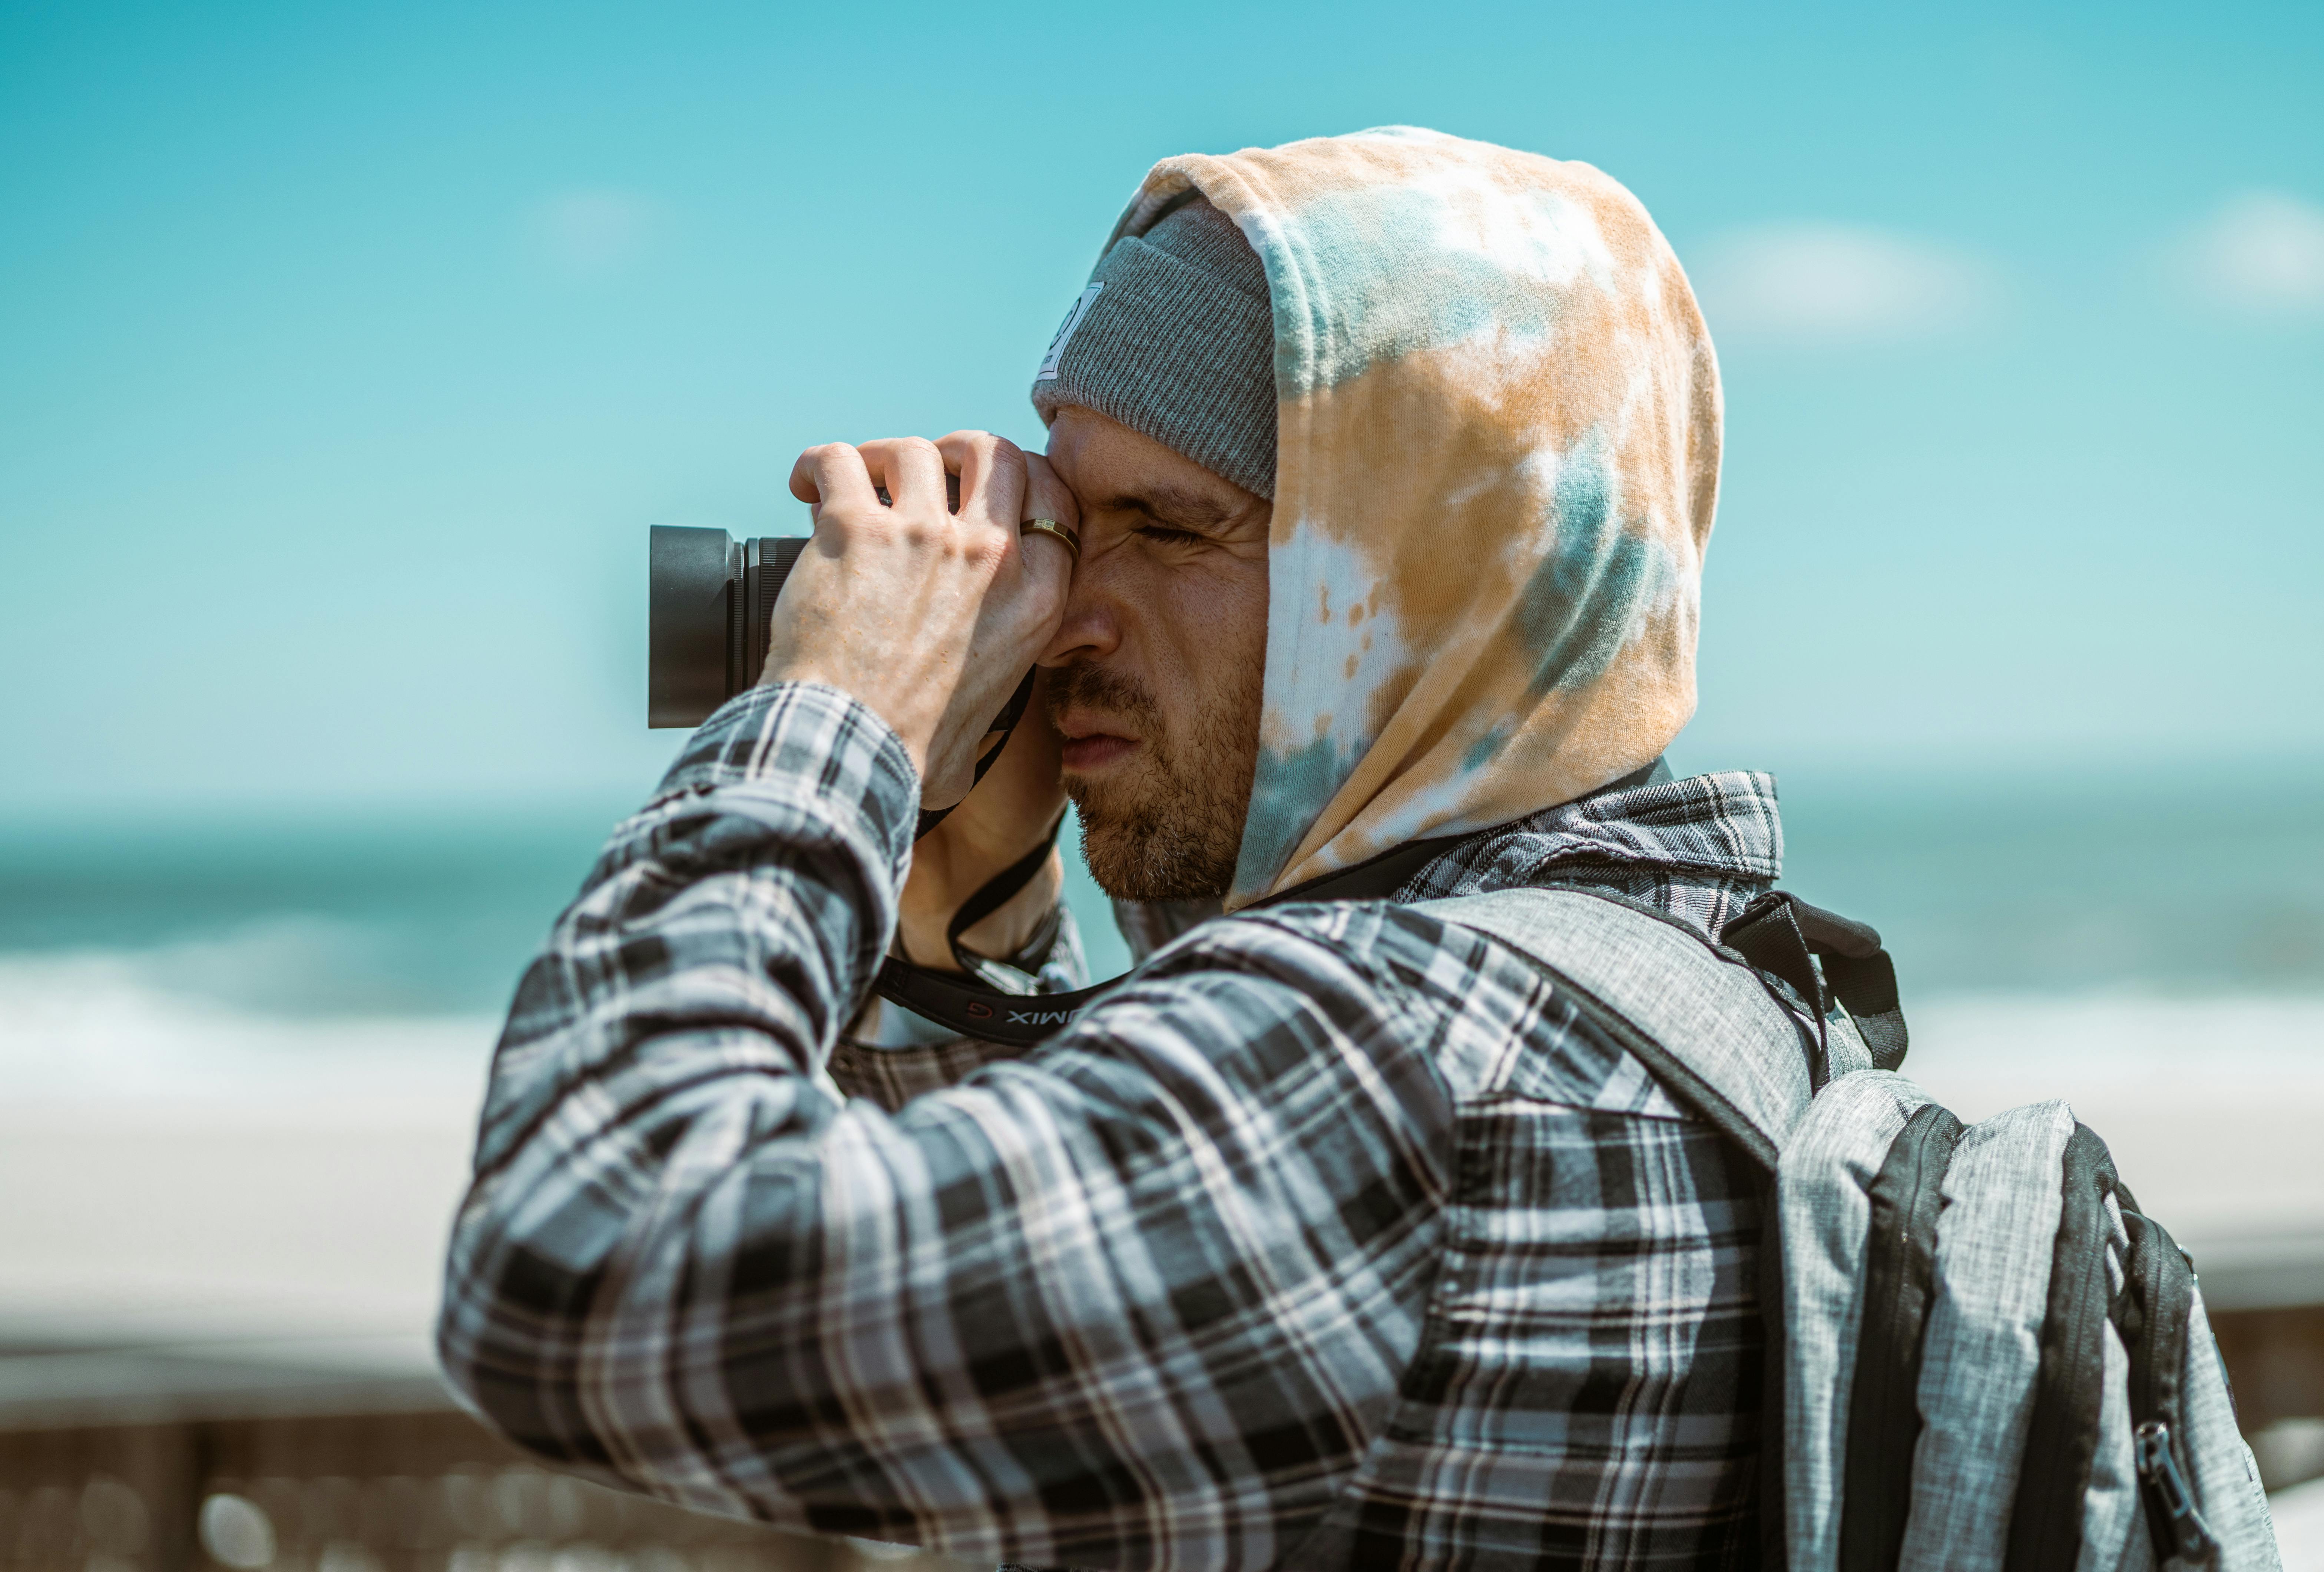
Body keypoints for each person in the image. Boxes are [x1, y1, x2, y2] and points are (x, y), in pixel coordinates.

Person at [440, 127, 1784, 1569]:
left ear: (1435, 579)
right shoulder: (1688, 980)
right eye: (1076, 526)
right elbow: (1090, 1358)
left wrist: (839, 712)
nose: (1071, 613)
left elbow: (580, 1252)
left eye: (1168, 525)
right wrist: (969, 919)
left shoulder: (1381, 1061)